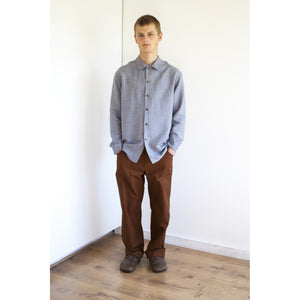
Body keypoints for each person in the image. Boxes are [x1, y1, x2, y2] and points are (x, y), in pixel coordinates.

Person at [109, 15, 185, 273]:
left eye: (150, 34)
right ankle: (132, 252)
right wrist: (118, 146)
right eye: (140, 35)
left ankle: (156, 252)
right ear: (135, 38)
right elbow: (115, 112)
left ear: (159, 36)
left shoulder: (173, 75)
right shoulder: (122, 74)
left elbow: (179, 114)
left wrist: (172, 148)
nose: (145, 40)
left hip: (161, 153)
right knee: (129, 207)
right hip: (128, 152)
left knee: (161, 208)